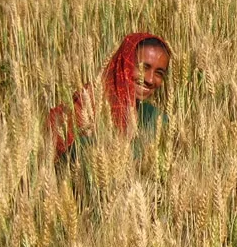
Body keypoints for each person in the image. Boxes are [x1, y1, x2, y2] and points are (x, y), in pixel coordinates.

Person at [47, 32, 171, 160]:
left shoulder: (152, 117)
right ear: (125, 63)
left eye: (159, 73)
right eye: (144, 67)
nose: (150, 79)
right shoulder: (86, 105)